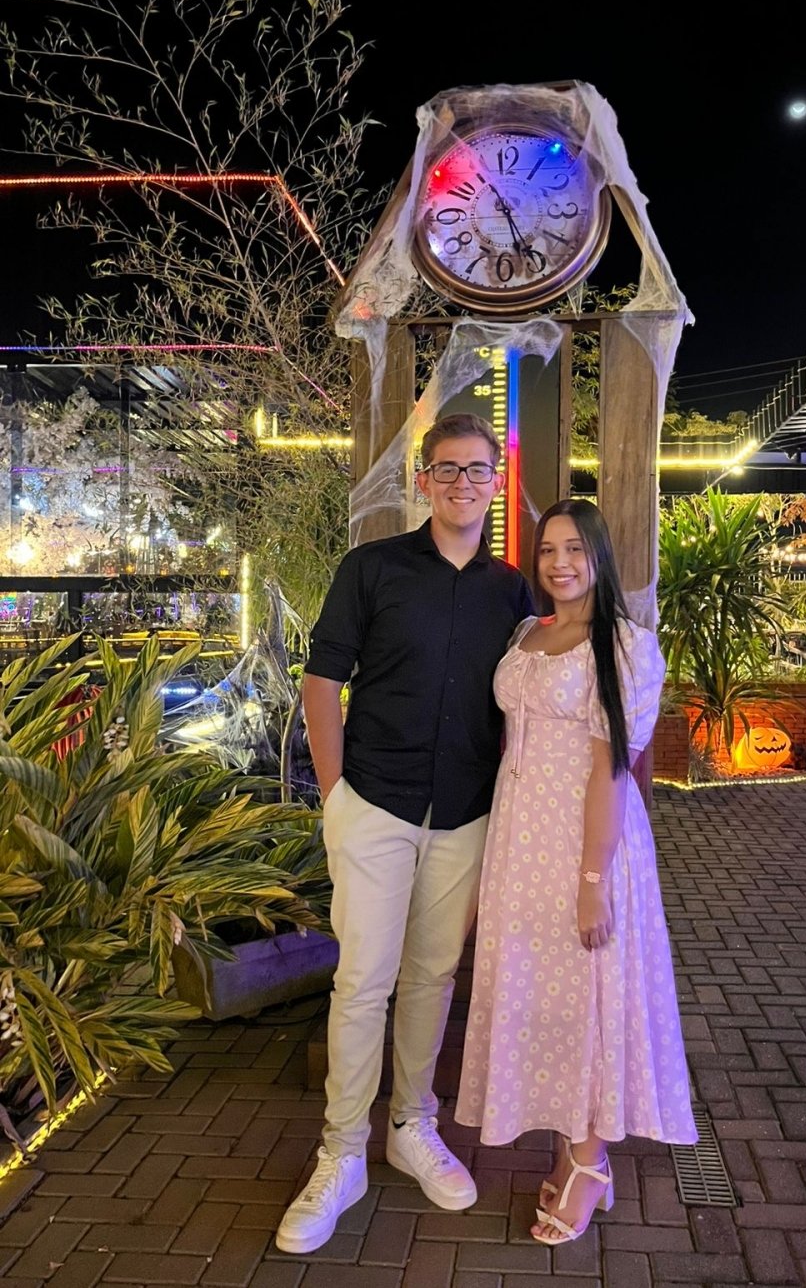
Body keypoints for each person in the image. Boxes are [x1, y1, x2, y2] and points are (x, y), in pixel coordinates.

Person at [276, 413, 533, 1256]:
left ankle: (411, 1124)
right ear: (424, 480)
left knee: (433, 976)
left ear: (497, 482)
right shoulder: (372, 567)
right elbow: (322, 681)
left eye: (477, 469)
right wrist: (335, 796)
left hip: (466, 812)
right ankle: (341, 1152)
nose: (463, 482)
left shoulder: (512, 593)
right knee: (362, 983)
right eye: (447, 468)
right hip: (375, 805)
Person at [455, 497, 698, 1245]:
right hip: (518, 842)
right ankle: (570, 1145)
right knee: (544, 995)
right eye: (548, 550)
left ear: (599, 556)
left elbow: (611, 771)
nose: (559, 563)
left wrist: (593, 882)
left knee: (588, 995)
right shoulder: (528, 631)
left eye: (574, 549)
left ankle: (589, 1162)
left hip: (583, 843)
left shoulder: (622, 646)